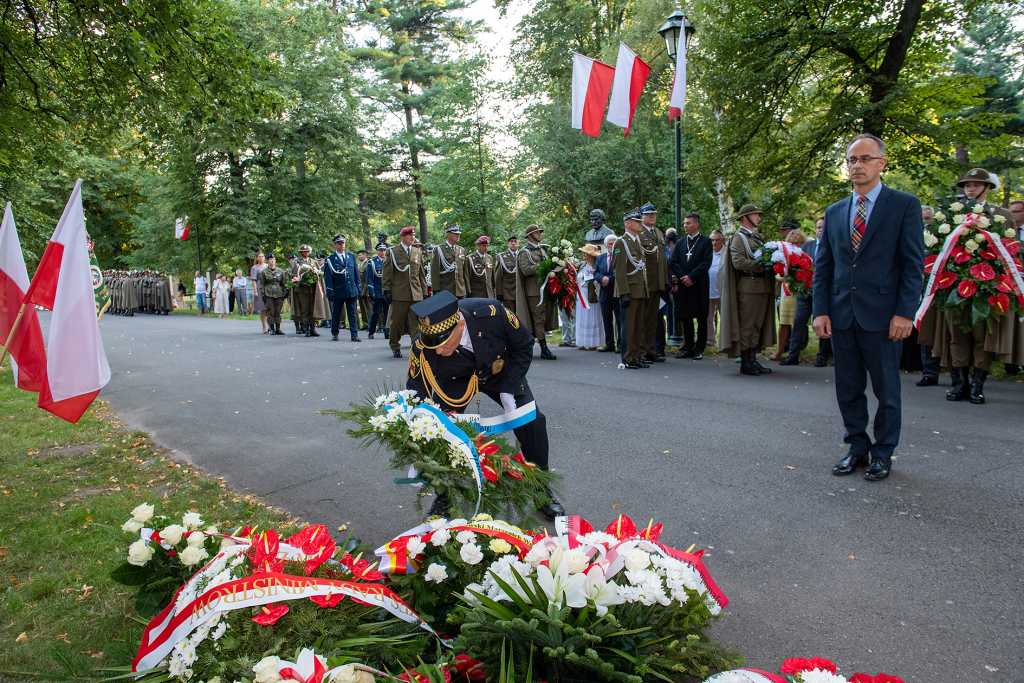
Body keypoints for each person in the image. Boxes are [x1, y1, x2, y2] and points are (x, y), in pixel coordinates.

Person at [813, 133, 924, 482]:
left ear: (881, 163)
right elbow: (824, 267)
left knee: (887, 390)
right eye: (851, 160)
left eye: (864, 159)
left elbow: (912, 265)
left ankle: (882, 452)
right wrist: (821, 311)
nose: (856, 165)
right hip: (842, 315)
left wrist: (906, 313)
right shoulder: (835, 212)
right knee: (847, 388)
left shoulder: (904, 205)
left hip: (884, 317)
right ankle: (857, 447)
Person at [405, 291, 565, 520]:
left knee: (532, 421)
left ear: (460, 324)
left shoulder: (492, 313)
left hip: (499, 373)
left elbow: (523, 345)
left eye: (442, 343)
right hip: (453, 382)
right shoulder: (422, 347)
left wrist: (510, 387)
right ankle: (444, 498)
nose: (438, 351)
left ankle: (542, 489)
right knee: (441, 431)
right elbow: (416, 390)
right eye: (434, 346)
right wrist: (421, 436)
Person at [940, 168, 1017, 403]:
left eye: (975, 185)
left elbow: (1011, 251)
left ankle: (977, 384)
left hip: (988, 287)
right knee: (957, 335)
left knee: (983, 337)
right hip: (955, 284)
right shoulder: (954, 215)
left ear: (987, 187)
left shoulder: (1001, 215)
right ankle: (961, 383)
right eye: (966, 185)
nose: (969, 189)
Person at [718, 204, 777, 375]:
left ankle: (752, 360)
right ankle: (746, 362)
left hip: (761, 287)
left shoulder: (756, 237)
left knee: (757, 326)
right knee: (747, 326)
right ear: (746, 217)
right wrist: (764, 265)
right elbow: (739, 262)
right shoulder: (739, 238)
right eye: (756, 215)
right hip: (749, 287)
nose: (758, 218)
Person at [669, 213, 713, 360]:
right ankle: (688, 347)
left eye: (688, 223)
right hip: (684, 284)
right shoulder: (681, 243)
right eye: (684, 223)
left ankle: (699, 348)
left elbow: (706, 262)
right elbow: (674, 261)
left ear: (696, 224)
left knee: (701, 317)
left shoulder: (706, 241)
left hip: (699, 283)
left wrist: (692, 276)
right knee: (685, 316)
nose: (685, 226)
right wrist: (683, 277)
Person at [514, 224, 558, 360]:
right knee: (538, 319)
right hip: (533, 291)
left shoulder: (544, 249)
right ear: (529, 236)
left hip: (546, 289)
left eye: (539, 232)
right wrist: (543, 265)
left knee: (544, 317)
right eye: (537, 232)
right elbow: (526, 270)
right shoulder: (524, 252)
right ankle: (544, 348)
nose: (540, 234)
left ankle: (537, 344)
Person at [383, 226, 428, 358]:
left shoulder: (417, 252)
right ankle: (395, 345)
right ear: (403, 237)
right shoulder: (392, 252)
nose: (412, 238)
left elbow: (421, 275)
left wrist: (424, 291)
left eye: (413, 236)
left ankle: (416, 346)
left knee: (416, 323)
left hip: (416, 293)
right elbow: (387, 273)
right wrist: (386, 289)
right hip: (399, 293)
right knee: (397, 321)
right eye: (410, 236)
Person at [613, 208, 650, 369]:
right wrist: (624, 292)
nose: (641, 224)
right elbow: (619, 270)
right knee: (629, 326)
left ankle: (636, 355)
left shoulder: (636, 241)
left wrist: (646, 290)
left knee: (639, 326)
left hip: (640, 290)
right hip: (630, 291)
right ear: (628, 223)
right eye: (637, 221)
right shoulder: (621, 242)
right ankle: (627, 358)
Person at [780, 223, 821, 365]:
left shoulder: (830, 245)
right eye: (817, 227)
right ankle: (793, 355)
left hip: (820, 292)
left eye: (822, 227)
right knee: (798, 323)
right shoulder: (806, 247)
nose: (819, 230)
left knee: (820, 323)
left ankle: (822, 356)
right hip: (804, 292)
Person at [769, 229, 809, 361]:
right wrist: (785, 277)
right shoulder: (783, 254)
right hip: (787, 291)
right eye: (791, 243)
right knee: (784, 322)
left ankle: (796, 350)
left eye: (797, 243)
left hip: (801, 290)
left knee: (800, 322)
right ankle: (780, 349)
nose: (794, 245)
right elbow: (777, 273)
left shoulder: (805, 254)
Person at [638, 203, 667, 363]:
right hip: (646, 282)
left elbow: (662, 260)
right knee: (643, 318)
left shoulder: (658, 233)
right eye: (648, 214)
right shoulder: (639, 234)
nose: (652, 216)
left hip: (657, 283)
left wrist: (664, 281)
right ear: (641, 217)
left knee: (653, 319)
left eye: (654, 213)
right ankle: (641, 350)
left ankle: (650, 350)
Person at [325, 235, 362, 342]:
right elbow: (328, 277)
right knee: (336, 312)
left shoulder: (350, 256)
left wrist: (358, 287)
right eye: (339, 243)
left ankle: (354, 334)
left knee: (352, 313)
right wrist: (330, 291)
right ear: (335, 245)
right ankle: (335, 332)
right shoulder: (330, 259)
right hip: (338, 290)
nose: (342, 245)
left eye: (343, 243)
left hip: (351, 290)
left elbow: (356, 273)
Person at [574, 244, 604, 350]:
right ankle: (581, 341)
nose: (584, 254)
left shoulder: (598, 265)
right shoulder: (582, 264)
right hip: (581, 294)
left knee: (592, 317)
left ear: (591, 255)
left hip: (592, 293)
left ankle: (592, 342)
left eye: (586, 252)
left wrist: (595, 274)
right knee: (581, 317)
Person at [595, 233, 620, 353]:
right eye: (610, 244)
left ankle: (620, 344)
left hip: (616, 293)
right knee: (607, 320)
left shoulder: (619, 257)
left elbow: (620, 272)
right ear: (606, 245)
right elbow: (596, 272)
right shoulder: (600, 258)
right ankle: (609, 344)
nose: (612, 246)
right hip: (604, 294)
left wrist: (609, 279)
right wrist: (601, 279)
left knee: (619, 320)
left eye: (614, 243)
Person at [431, 224, 469, 299]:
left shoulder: (461, 250)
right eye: (455, 234)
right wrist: (436, 289)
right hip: (446, 289)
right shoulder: (439, 250)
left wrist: (468, 288)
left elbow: (465, 272)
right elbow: (435, 271)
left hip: (460, 290)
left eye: (458, 234)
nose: (458, 236)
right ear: (448, 235)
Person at [290, 245, 320, 337]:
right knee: (304, 308)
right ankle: (306, 328)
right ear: (301, 252)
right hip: (302, 289)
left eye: (307, 251)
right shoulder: (297, 262)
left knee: (312, 308)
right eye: (304, 251)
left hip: (312, 288)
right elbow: (294, 274)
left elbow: (318, 273)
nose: (306, 253)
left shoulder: (313, 262)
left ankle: (313, 328)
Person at [259, 254, 289, 335]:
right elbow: (262, 284)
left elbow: (283, 283)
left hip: (279, 293)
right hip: (269, 293)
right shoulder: (264, 272)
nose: (272, 261)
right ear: (268, 261)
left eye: (273, 259)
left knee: (277, 311)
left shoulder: (280, 271)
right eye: (270, 259)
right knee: (270, 311)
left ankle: (278, 328)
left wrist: (284, 293)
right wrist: (263, 295)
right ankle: (272, 328)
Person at [366, 243, 389, 340]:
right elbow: (369, 278)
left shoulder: (389, 261)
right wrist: (371, 291)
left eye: (384, 250)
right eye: (381, 250)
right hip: (378, 292)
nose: (383, 252)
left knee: (387, 313)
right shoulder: (372, 262)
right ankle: (371, 331)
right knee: (376, 312)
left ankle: (387, 331)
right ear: (377, 251)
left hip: (387, 292)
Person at [707, 230, 725, 348]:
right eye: (712, 240)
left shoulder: (726, 254)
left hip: (722, 291)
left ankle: (725, 341)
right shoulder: (707, 253)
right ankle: (710, 340)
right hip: (708, 290)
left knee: (724, 316)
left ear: (722, 241)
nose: (714, 243)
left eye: (717, 240)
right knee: (708, 317)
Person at [492, 235, 519, 306]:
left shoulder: (522, 256)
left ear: (519, 243)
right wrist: (498, 293)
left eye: (515, 241)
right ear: (508, 243)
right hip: (507, 293)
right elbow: (498, 277)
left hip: (520, 293)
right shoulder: (502, 257)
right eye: (511, 241)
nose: (513, 243)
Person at [250, 252, 269, 333]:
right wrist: (255, 291)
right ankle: (264, 327)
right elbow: (254, 280)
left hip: (268, 287)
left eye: (262, 256)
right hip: (259, 287)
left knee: (269, 308)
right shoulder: (255, 268)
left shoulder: (268, 266)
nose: (261, 258)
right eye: (259, 257)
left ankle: (270, 326)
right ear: (257, 258)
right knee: (262, 308)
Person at [357, 250, 372, 331]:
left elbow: (367, 279)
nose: (359, 257)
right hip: (360, 288)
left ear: (365, 255)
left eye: (360, 255)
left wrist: (365, 291)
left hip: (365, 289)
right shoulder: (359, 265)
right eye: (358, 256)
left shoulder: (368, 264)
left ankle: (370, 324)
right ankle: (365, 324)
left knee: (367, 308)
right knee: (362, 308)